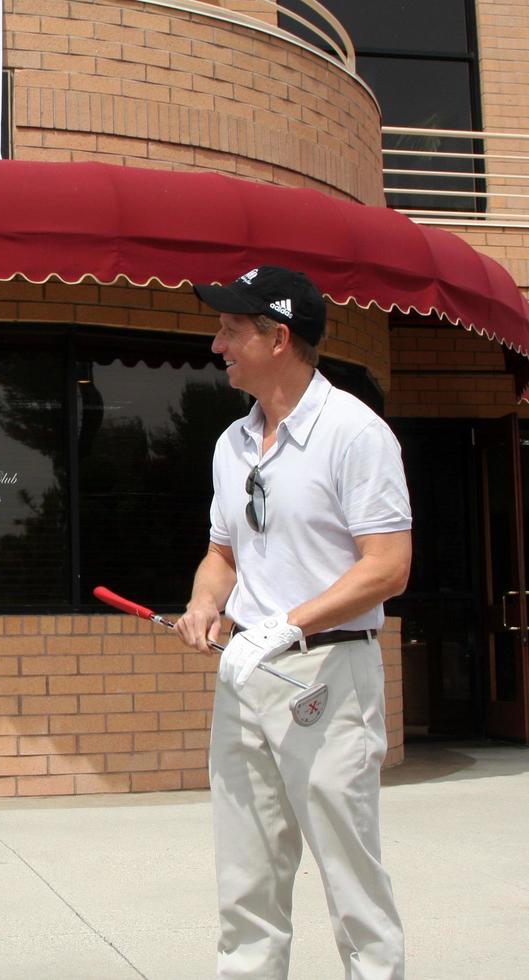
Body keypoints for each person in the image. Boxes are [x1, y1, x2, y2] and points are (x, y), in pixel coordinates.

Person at [174, 267, 412, 980]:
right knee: (246, 882)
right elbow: (221, 554)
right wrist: (202, 603)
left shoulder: (353, 433)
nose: (216, 343)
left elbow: (387, 566)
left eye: (230, 329)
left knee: (350, 883)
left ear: (278, 338)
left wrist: (285, 625)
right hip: (244, 675)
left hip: (327, 678)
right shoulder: (231, 444)